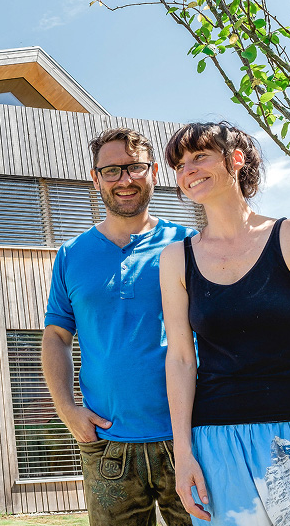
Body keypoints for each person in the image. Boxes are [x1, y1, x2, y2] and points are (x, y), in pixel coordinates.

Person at [43, 127, 194, 526]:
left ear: (154, 172)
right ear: (96, 179)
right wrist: (66, 409)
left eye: (134, 167)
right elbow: (56, 336)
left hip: (189, 436)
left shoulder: (188, 244)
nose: (124, 179)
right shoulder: (71, 254)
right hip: (107, 443)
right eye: (111, 170)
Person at [161, 121, 290, 525]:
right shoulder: (176, 258)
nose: (188, 170)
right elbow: (181, 360)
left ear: (235, 159)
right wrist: (183, 453)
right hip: (217, 443)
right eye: (180, 164)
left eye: (199, 156)